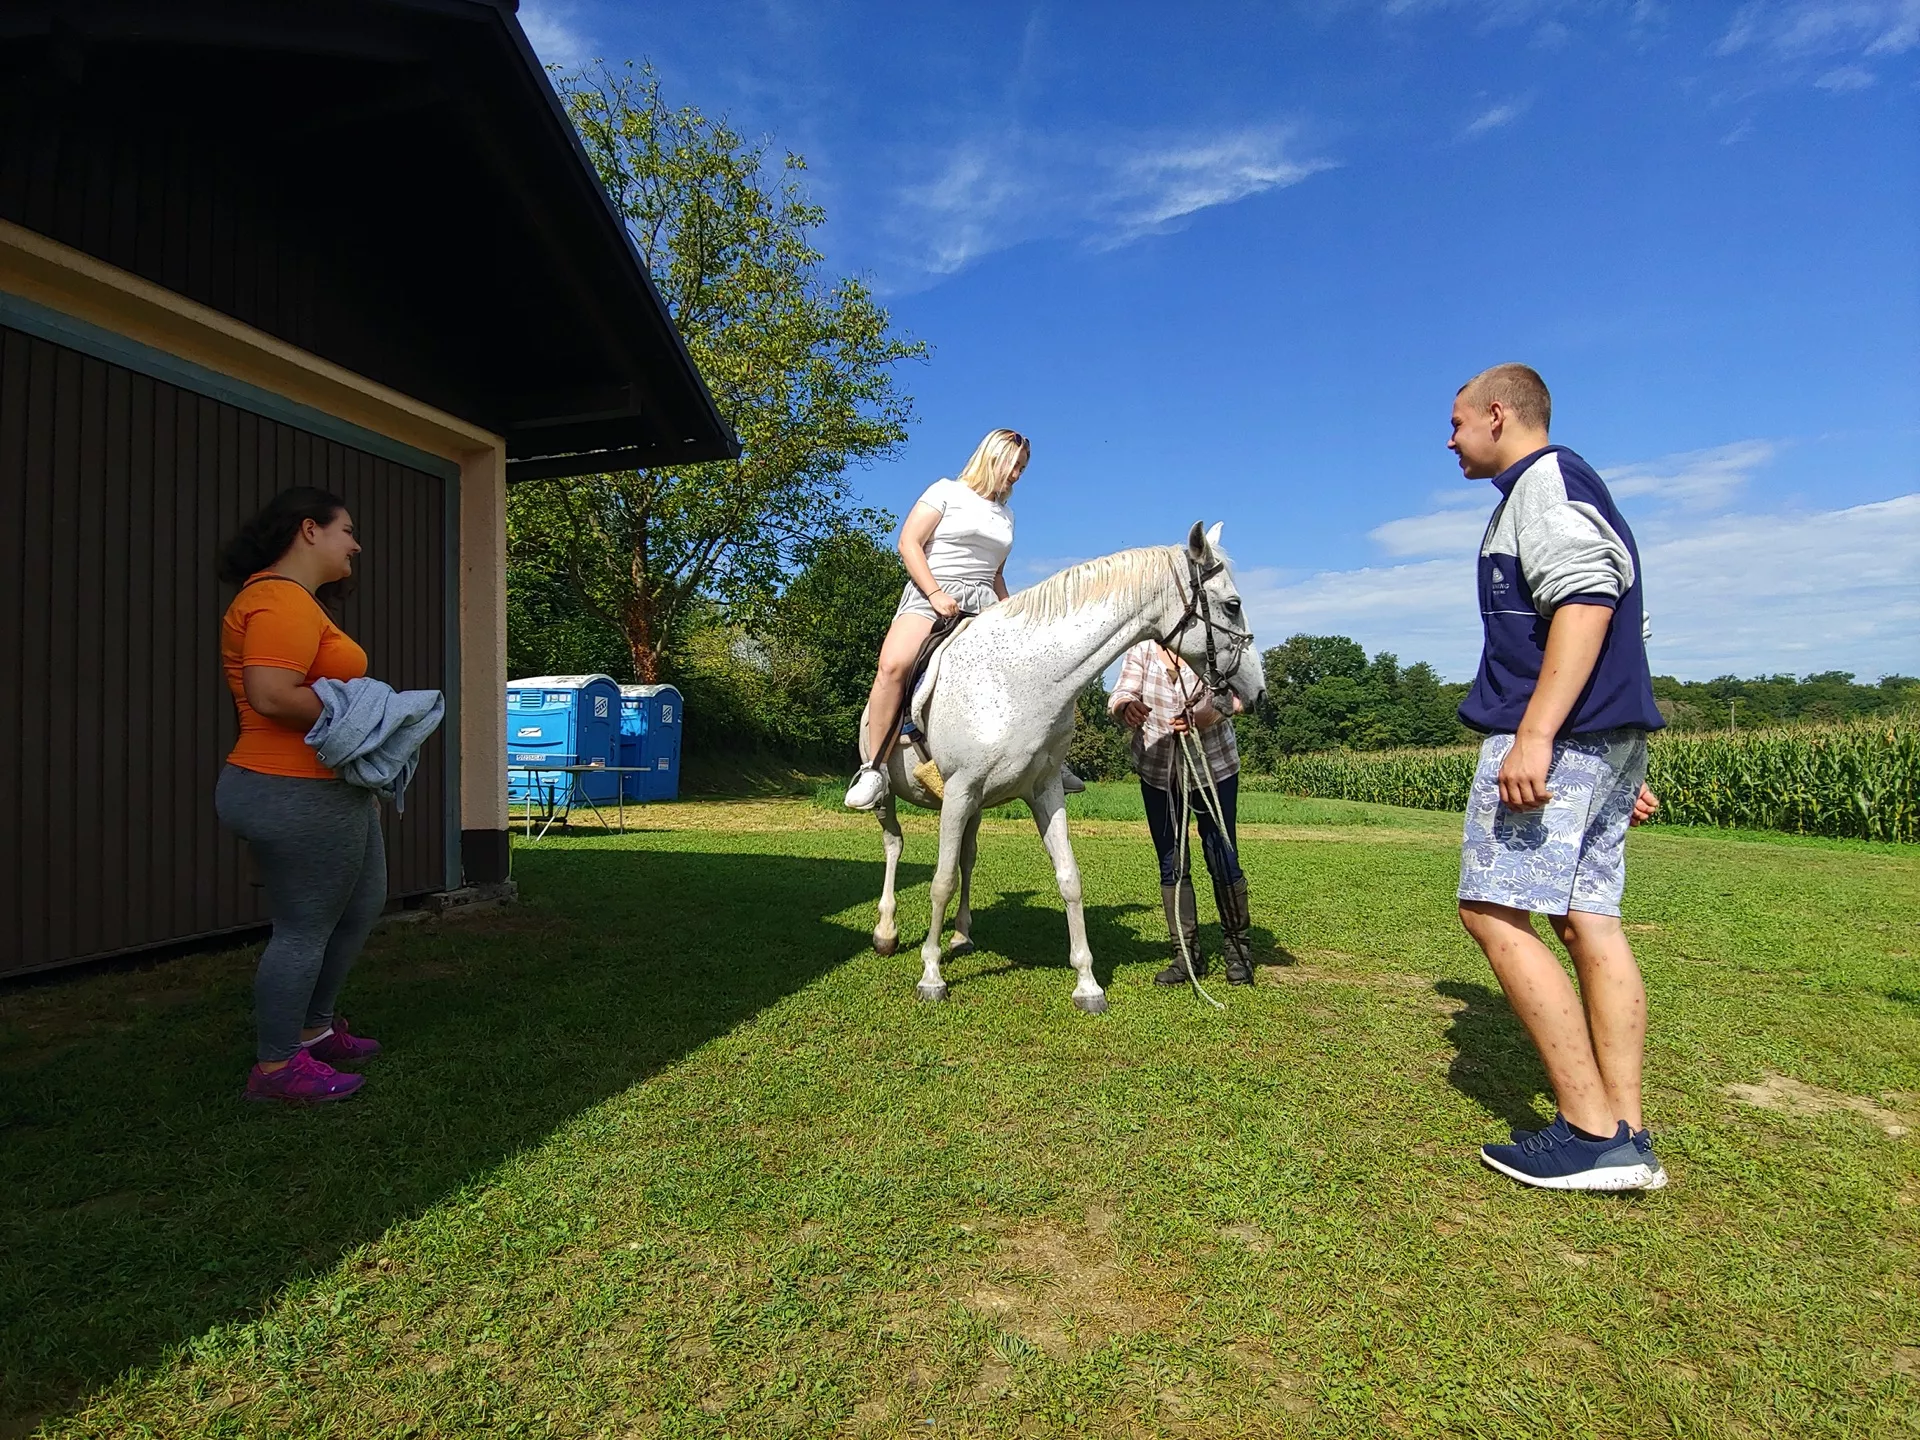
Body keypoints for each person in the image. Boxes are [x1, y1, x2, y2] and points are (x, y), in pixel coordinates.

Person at [1447, 364, 1667, 1191]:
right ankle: (1626, 1131)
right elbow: (1625, 616)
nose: (1451, 438)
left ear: (1498, 415)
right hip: (1600, 738)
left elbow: (1585, 600)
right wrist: (1617, 756)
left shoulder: (1544, 484)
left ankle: (1587, 1129)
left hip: (1558, 734)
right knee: (1588, 920)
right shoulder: (1577, 487)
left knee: (1492, 910)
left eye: (1459, 422)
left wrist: (1537, 735)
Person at [214, 488, 386, 1105]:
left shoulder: (300, 604)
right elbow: (270, 694)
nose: (355, 545)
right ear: (309, 530)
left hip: (329, 786)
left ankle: (312, 1030)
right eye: (347, 531)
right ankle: (276, 1066)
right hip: (287, 785)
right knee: (303, 929)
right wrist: (374, 715)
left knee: (361, 907)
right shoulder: (277, 599)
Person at [845, 429, 1082, 809]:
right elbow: (908, 543)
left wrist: (1016, 616)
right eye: (1012, 464)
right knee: (893, 665)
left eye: (1023, 467)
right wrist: (936, 594)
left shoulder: (1007, 516)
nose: (1017, 474)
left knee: (1035, 669)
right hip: (931, 591)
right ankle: (874, 770)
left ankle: (1051, 763)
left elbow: (996, 574)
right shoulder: (945, 492)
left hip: (985, 601)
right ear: (991, 456)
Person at [1110, 642, 1254, 985]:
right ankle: (1187, 957)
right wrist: (1125, 708)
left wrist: (1210, 715)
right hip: (1159, 773)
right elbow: (1121, 691)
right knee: (1171, 861)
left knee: (1222, 856)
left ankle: (1239, 954)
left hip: (1214, 769)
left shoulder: (1210, 644)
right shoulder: (1143, 649)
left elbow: (1240, 699)